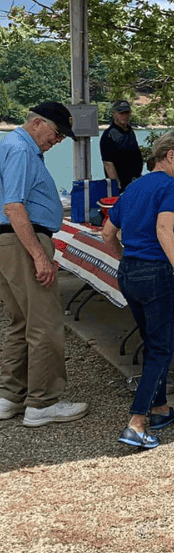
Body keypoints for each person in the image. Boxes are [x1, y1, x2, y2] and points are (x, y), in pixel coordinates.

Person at [102, 130, 174, 450]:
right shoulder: (173, 187)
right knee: (162, 348)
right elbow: (163, 228)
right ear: (169, 156)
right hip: (158, 273)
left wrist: (128, 259)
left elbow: (107, 233)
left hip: (130, 271)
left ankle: (159, 409)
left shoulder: (132, 188)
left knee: (151, 341)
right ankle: (137, 422)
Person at [0, 102, 89, 428]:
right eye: (57, 133)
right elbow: (13, 206)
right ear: (37, 123)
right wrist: (40, 256)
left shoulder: (11, 146)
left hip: (10, 242)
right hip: (22, 239)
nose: (59, 140)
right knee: (45, 323)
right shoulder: (20, 149)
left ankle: (10, 396)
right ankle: (43, 402)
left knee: (22, 322)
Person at [99, 99, 143, 192]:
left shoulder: (130, 131)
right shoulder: (109, 135)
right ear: (113, 113)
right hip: (122, 186)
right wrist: (117, 186)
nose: (125, 116)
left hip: (136, 181)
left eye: (127, 113)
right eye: (121, 113)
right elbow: (108, 163)